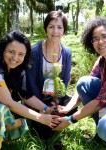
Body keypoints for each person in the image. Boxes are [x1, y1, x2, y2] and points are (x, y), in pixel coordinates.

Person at [53, 16, 106, 145]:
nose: (100, 42)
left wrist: (70, 119)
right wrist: (67, 108)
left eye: (105, 36)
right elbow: (84, 87)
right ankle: (102, 135)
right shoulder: (103, 59)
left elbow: (101, 101)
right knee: (85, 83)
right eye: (95, 39)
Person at [0, 31, 59, 150]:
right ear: (3, 50)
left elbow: (26, 96)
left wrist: (46, 109)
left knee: (19, 114)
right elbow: (10, 104)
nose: (15, 58)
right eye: (11, 52)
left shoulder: (17, 69)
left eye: (21, 54)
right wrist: (40, 117)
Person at [26, 10, 77, 140]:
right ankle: (39, 122)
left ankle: (53, 120)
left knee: (72, 107)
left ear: (64, 31)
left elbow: (64, 80)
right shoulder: (35, 51)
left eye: (59, 27)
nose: (55, 31)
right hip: (37, 99)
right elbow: (31, 83)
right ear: (45, 29)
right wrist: (44, 107)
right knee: (44, 133)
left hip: (55, 98)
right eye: (51, 27)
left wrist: (57, 103)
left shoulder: (66, 53)